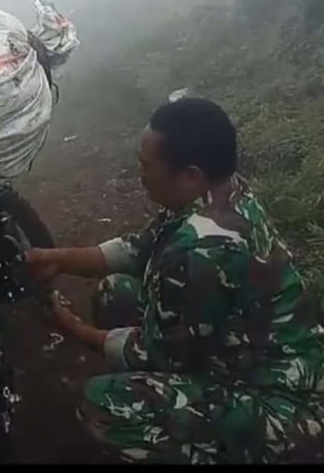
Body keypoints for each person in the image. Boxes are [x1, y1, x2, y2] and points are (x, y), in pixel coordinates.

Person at [26, 98, 324, 464]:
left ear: (190, 175)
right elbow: (136, 250)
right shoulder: (219, 194)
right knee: (115, 291)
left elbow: (151, 353)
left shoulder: (203, 247)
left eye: (146, 166)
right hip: (242, 353)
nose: (141, 175)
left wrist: (67, 325)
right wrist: (57, 258)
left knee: (103, 404)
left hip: (282, 408)